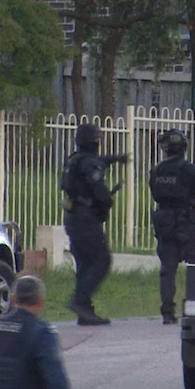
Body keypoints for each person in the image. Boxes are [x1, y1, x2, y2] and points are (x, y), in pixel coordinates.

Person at [61, 123, 126, 326]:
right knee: (101, 260)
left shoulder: (74, 159)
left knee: (85, 262)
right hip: (86, 218)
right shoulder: (89, 164)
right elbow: (100, 192)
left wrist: (114, 158)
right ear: (94, 141)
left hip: (73, 216)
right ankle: (79, 301)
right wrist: (107, 202)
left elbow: (96, 162)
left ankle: (85, 312)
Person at [149, 128, 195, 324]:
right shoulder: (190, 170)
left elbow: (155, 193)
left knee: (167, 269)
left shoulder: (157, 171)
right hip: (188, 224)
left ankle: (167, 312)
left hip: (165, 223)